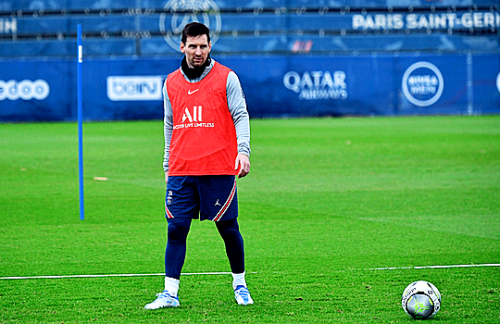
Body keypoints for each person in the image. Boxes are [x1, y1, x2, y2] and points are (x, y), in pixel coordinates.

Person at [145, 22, 253, 309]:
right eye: (192, 46)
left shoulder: (227, 77)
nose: (198, 51)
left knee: (228, 228)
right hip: (181, 169)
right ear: (182, 47)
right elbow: (170, 124)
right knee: (176, 228)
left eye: (203, 46)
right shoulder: (170, 82)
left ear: (209, 46)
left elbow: (240, 115)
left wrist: (243, 151)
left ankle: (240, 284)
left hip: (218, 167)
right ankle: (170, 293)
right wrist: (168, 162)